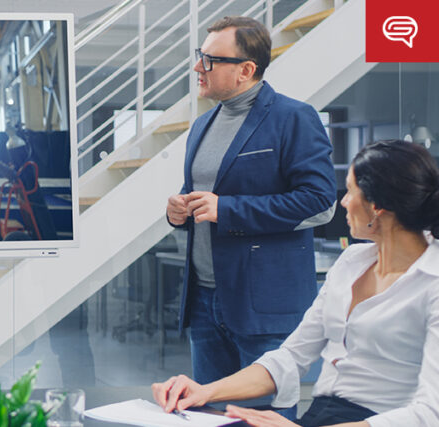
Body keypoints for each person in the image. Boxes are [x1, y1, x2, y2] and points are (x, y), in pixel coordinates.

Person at [153, 139, 439, 426]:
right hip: (322, 415)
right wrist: (203, 392)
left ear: (377, 206)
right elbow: (291, 357)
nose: (343, 201)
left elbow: (430, 413)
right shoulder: (352, 262)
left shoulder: (433, 284)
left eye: (350, 191)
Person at [164, 16, 336, 413]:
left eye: (209, 60)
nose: (197, 68)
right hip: (205, 300)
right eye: (199, 57)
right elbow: (205, 200)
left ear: (245, 70)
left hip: (263, 306)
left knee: (261, 417)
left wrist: (228, 209)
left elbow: (320, 201)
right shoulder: (202, 125)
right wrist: (178, 211)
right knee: (205, 415)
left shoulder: (293, 118)